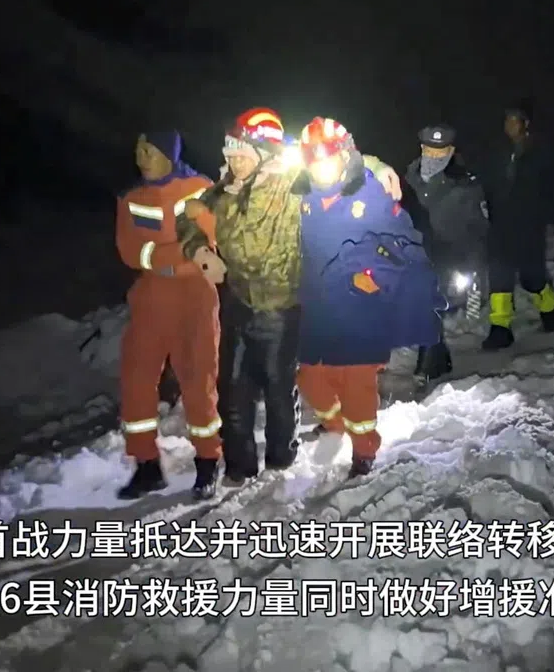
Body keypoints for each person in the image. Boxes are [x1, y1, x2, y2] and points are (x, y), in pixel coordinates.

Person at [178, 108, 403, 487]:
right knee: (233, 388)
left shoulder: (292, 183)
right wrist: (199, 251)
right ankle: (239, 465)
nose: (234, 161)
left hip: (283, 306)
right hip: (237, 302)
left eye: (243, 153)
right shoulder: (222, 190)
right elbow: (188, 215)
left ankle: (283, 460)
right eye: (230, 154)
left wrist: (376, 167)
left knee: (279, 386)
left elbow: (334, 159)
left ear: (264, 153)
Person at [292, 116, 446, 478]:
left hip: (361, 308)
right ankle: (334, 424)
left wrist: (374, 277)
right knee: (311, 378)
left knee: (356, 385)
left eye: (327, 159)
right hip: (317, 307)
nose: (321, 168)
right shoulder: (300, 195)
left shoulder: (372, 193)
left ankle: (364, 448)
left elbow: (403, 245)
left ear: (345, 156)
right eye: (313, 161)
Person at [115, 131, 227, 501]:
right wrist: (181, 251)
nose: (141, 156)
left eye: (149, 149)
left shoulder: (200, 186)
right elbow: (131, 253)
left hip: (194, 295)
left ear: (170, 152)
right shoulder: (130, 198)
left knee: (198, 378)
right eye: (137, 149)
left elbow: (213, 239)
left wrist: (166, 253)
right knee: (136, 378)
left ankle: (208, 462)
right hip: (150, 296)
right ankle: (146, 465)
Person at [399, 124, 488, 378]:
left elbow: (479, 231)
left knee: (429, 309)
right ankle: (439, 359)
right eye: (429, 150)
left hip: (449, 259)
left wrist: (474, 275)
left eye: (441, 152)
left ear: (451, 151)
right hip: (415, 257)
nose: (434, 157)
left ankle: (425, 369)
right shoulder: (408, 179)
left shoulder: (466, 185)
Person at [480, 101, 554, 351]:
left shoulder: (540, 152)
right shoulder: (498, 152)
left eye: (514, 120)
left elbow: (553, 187)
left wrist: (550, 215)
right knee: (499, 274)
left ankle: (549, 307)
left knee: (532, 277)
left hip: (529, 224)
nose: (509, 125)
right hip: (501, 224)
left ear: (525, 124)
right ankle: (500, 328)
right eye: (507, 120)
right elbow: (489, 183)